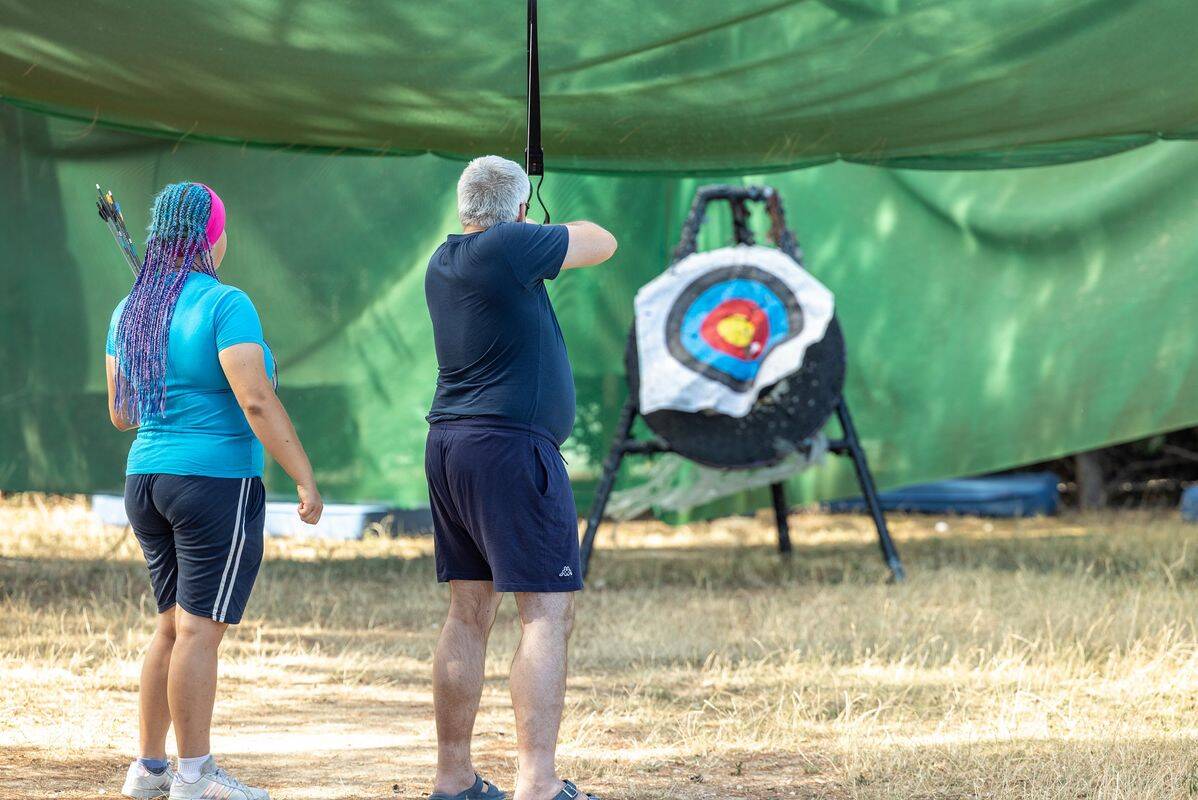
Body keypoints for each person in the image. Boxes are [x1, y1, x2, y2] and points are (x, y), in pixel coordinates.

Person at [107, 182, 323, 800]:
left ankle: (148, 770)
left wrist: (166, 378)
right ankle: (195, 776)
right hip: (213, 483)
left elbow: (123, 412)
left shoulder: (130, 310)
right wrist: (304, 476)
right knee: (199, 631)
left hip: (145, 479)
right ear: (212, 237)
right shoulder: (228, 304)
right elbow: (256, 399)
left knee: (172, 627)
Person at [423, 156, 618, 800]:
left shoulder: (446, 258)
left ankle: (455, 780)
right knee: (545, 613)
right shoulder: (508, 245)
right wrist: (537, 225)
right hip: (510, 450)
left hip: (453, 446)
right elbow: (601, 241)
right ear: (512, 214)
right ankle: (539, 782)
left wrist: (526, 225)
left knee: (469, 610)